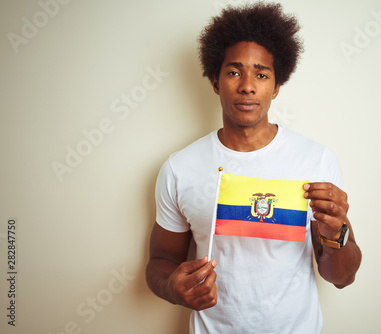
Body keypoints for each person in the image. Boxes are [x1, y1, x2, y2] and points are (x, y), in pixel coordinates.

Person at [146, 2, 362, 333]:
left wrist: (337, 234)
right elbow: (160, 261)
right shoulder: (180, 168)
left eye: (261, 74)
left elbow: (342, 278)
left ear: (276, 87)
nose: (247, 85)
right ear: (215, 82)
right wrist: (173, 288)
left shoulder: (315, 160)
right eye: (234, 72)